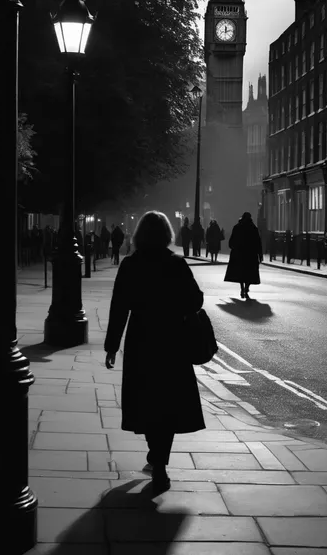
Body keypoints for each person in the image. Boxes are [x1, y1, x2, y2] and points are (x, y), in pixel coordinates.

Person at [104, 210, 205, 494]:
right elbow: (195, 299)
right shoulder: (176, 264)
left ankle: (154, 453)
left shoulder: (130, 265)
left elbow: (119, 307)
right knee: (169, 401)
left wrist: (112, 345)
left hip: (141, 339)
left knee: (145, 398)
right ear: (166, 235)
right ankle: (160, 461)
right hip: (172, 340)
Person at [224, 212, 263, 298]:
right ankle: (247, 287)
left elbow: (231, 241)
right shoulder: (253, 228)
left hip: (239, 254)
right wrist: (260, 255)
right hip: (250, 255)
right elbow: (258, 243)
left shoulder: (237, 227)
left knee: (240, 272)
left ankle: (242, 287)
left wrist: (233, 247)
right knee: (250, 273)